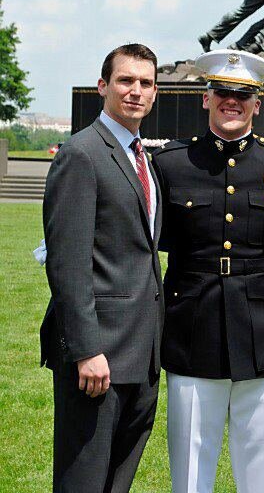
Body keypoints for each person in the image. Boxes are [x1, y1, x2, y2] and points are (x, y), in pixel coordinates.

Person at [151, 50, 264, 493]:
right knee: (191, 474)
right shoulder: (171, 164)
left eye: (242, 95)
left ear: (257, 104)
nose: (230, 102)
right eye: (222, 93)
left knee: (263, 475)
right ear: (206, 98)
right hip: (192, 330)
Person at [40, 44, 164, 492]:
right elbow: (68, 265)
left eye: (146, 83)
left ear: (155, 94)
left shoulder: (139, 156)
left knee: (117, 481)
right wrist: (87, 351)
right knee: (84, 482)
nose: (135, 91)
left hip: (141, 355)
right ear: (102, 87)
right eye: (125, 81)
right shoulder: (81, 154)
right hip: (99, 360)